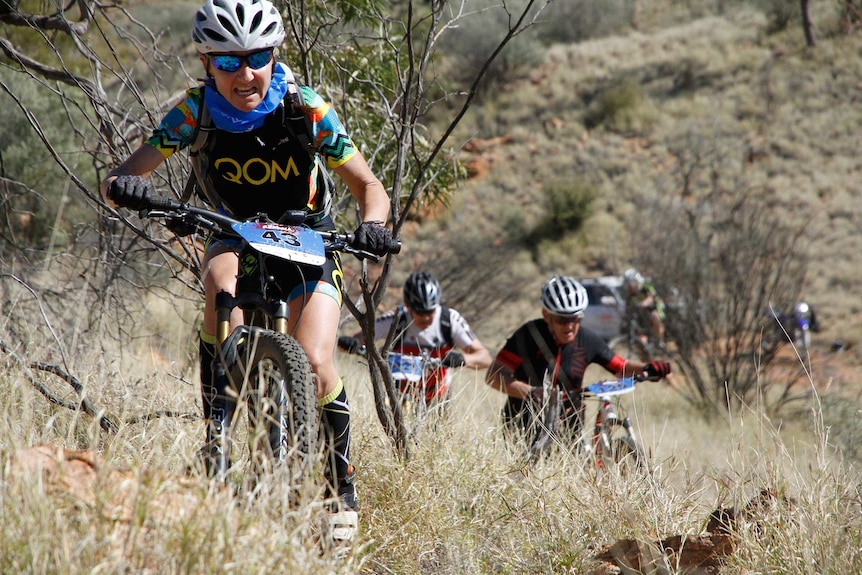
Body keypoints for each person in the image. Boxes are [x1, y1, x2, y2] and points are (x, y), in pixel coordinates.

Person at [100, 0, 392, 542]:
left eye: (256, 56)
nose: (245, 73)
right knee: (218, 287)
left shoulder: (306, 109)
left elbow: (370, 187)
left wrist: (372, 224)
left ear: (274, 54)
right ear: (207, 64)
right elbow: (122, 175)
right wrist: (128, 185)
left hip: (306, 238)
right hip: (232, 230)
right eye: (228, 61)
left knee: (315, 360)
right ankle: (218, 424)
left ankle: (338, 483)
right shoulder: (194, 112)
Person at [485, 275, 672, 444]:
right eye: (561, 320)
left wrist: (649, 367)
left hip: (569, 426)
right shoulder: (529, 334)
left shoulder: (587, 339)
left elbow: (621, 367)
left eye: (576, 319)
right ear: (546, 316)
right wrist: (531, 392)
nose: (570, 326)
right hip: (523, 423)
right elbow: (493, 376)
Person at [338, 271, 492, 405]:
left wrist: (462, 359)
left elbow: (485, 358)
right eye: (419, 311)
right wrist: (351, 345)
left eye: (430, 311)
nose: (425, 317)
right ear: (408, 306)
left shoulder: (450, 320)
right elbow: (355, 341)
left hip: (437, 397)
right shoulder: (396, 319)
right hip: (396, 395)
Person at [622, 268, 666, 347]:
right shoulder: (630, 294)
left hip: (653, 307)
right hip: (641, 312)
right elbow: (627, 306)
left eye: (631, 284)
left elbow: (651, 298)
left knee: (655, 317)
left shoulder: (646, 286)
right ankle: (643, 342)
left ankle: (660, 340)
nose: (630, 287)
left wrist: (643, 304)